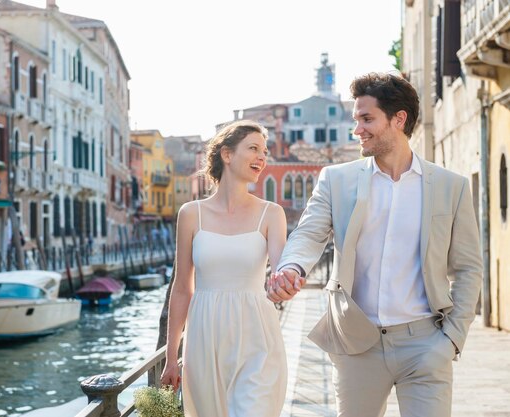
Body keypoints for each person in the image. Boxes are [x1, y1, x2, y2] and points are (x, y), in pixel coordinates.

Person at [268, 72, 483, 417]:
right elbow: (308, 233)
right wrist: (291, 267)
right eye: (357, 119)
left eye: (367, 119)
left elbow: (469, 267)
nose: (358, 130)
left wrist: (452, 338)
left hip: (425, 345)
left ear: (398, 119)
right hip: (357, 345)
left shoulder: (450, 187)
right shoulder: (336, 180)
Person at [161, 120, 288, 417]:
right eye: (253, 148)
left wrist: (286, 283)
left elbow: (282, 268)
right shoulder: (191, 214)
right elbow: (182, 288)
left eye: (265, 151)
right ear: (227, 155)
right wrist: (171, 358)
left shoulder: (272, 214)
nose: (262, 157)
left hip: (256, 331)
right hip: (205, 335)